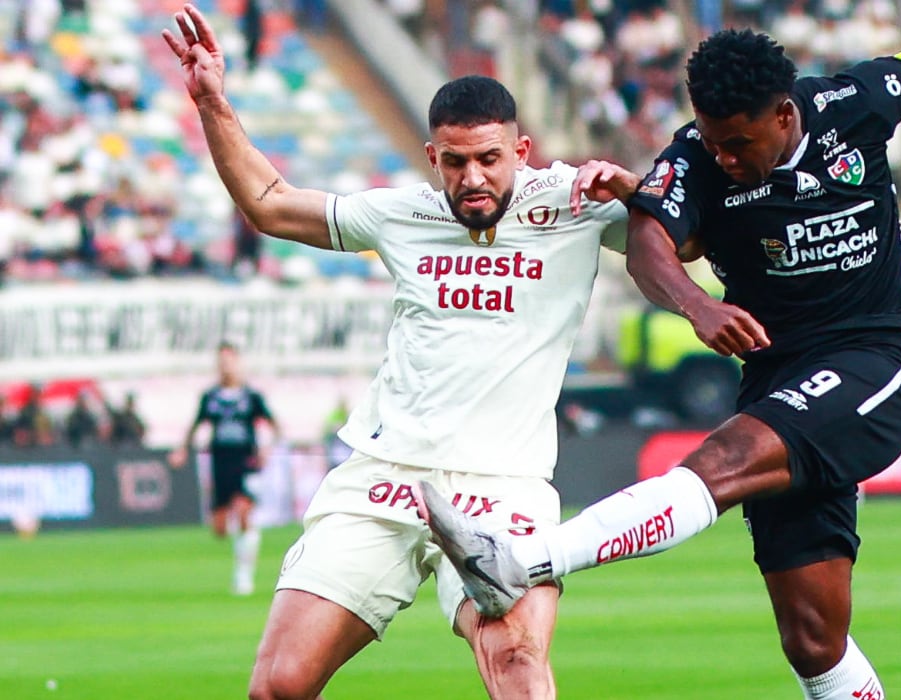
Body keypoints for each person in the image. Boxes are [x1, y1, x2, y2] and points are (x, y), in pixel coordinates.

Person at [420, 29, 901, 699]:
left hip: (870, 356)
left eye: (738, 144)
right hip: (776, 379)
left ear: (784, 114)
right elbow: (651, 239)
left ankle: (521, 562)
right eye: (712, 141)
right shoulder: (693, 156)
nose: (724, 157)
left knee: (720, 461)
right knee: (814, 642)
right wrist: (695, 306)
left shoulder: (856, 100)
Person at [163, 5, 637, 699]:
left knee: (516, 664)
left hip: (503, 485)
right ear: (432, 158)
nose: (472, 177)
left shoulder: (575, 202)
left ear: (522, 151)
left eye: (489, 159)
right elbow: (269, 203)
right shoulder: (400, 214)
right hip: (383, 476)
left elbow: (683, 239)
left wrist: (635, 191)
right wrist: (212, 101)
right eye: (455, 161)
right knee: (278, 686)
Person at [169, 341, 280, 596]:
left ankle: (243, 575)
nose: (225, 366)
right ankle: (244, 542)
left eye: (229, 360)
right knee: (219, 528)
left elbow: (274, 425)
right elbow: (195, 425)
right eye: (221, 361)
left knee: (242, 513)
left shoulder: (251, 397)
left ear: (237, 362)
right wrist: (183, 450)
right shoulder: (210, 397)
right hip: (220, 463)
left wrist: (267, 449)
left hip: (246, 461)